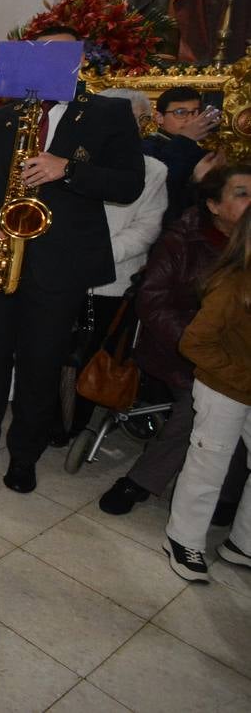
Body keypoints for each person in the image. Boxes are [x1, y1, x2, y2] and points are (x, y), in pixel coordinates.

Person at [0, 28, 146, 495]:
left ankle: (23, 453)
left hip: (60, 264)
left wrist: (67, 169)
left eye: (57, 51)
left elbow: (130, 183)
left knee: (40, 362)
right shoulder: (1, 118)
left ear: (76, 58)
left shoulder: (108, 113)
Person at [101, 164, 251, 516]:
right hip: (177, 349)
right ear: (213, 205)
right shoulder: (183, 240)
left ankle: (230, 496)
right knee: (205, 402)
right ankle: (139, 481)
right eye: (242, 194)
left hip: (235, 356)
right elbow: (152, 302)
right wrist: (201, 351)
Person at [68, 89, 168, 436]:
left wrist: (96, 254)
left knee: (91, 353)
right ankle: (49, 412)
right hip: (64, 271)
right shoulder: (76, 160)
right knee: (54, 349)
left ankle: (75, 420)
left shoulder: (154, 170)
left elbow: (147, 229)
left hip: (110, 277)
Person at [164, 206, 251, 581]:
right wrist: (242, 377)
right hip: (223, 389)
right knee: (209, 463)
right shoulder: (233, 285)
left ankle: (243, 542)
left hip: (241, 384)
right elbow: (195, 343)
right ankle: (183, 539)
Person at [145, 86, 221, 222]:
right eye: (180, 113)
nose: (191, 120)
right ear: (159, 117)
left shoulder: (203, 151)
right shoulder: (146, 148)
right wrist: (195, 180)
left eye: (196, 112)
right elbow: (157, 188)